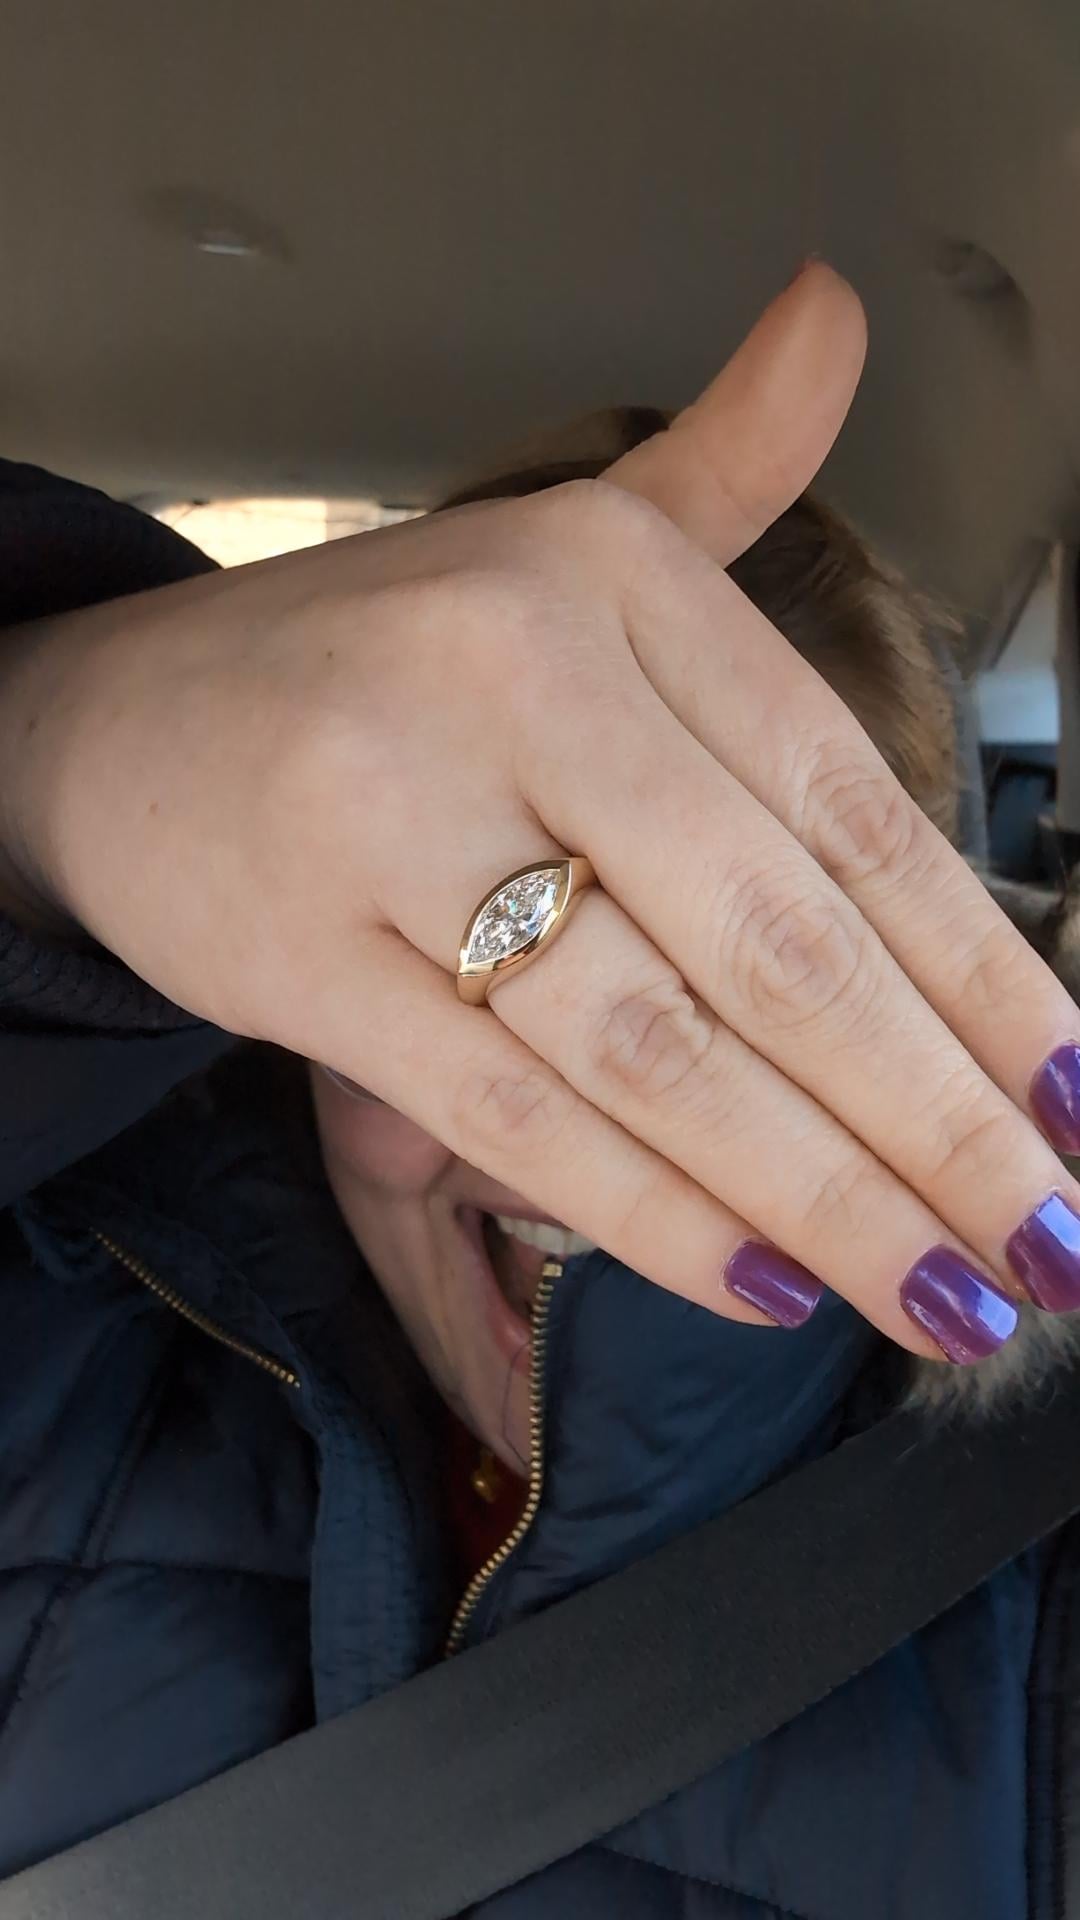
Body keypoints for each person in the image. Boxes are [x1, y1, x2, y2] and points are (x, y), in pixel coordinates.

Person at [0, 267, 1079, 1913]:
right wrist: (40, 764)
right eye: (477, 965)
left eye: (752, 987)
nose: (583, 1137)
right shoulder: (53, 1286)